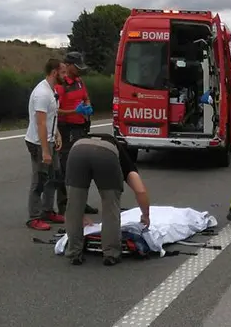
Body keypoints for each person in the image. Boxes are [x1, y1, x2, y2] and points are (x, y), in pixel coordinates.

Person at [63, 133, 151, 266]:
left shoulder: (82, 142)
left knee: (74, 205)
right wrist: (145, 215)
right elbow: (140, 190)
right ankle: (111, 254)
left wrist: (80, 215)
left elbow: (71, 197)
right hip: (106, 155)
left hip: (77, 151)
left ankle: (74, 253)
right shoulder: (124, 159)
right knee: (111, 205)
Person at [54, 51, 98, 216]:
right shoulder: (61, 85)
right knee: (65, 168)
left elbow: (85, 97)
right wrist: (74, 110)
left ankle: (80, 202)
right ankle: (64, 205)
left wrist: (87, 105)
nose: (79, 70)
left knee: (82, 167)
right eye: (77, 67)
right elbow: (54, 110)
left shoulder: (79, 82)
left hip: (81, 128)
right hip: (66, 130)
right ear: (69, 65)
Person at [24, 59, 65, 231]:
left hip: (48, 139)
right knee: (39, 180)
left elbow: (50, 117)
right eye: (63, 72)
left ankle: (48, 210)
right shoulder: (42, 93)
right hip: (38, 142)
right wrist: (45, 151)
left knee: (54, 176)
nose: (65, 75)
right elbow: (40, 123)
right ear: (55, 72)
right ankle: (34, 217)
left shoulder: (52, 90)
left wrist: (57, 133)